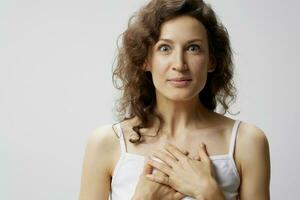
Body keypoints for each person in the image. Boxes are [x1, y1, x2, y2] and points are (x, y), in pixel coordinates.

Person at [79, 0, 271, 199]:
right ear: (145, 59)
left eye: (193, 48)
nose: (179, 64)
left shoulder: (246, 141)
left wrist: (208, 191)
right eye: (164, 48)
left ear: (211, 60)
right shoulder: (105, 142)